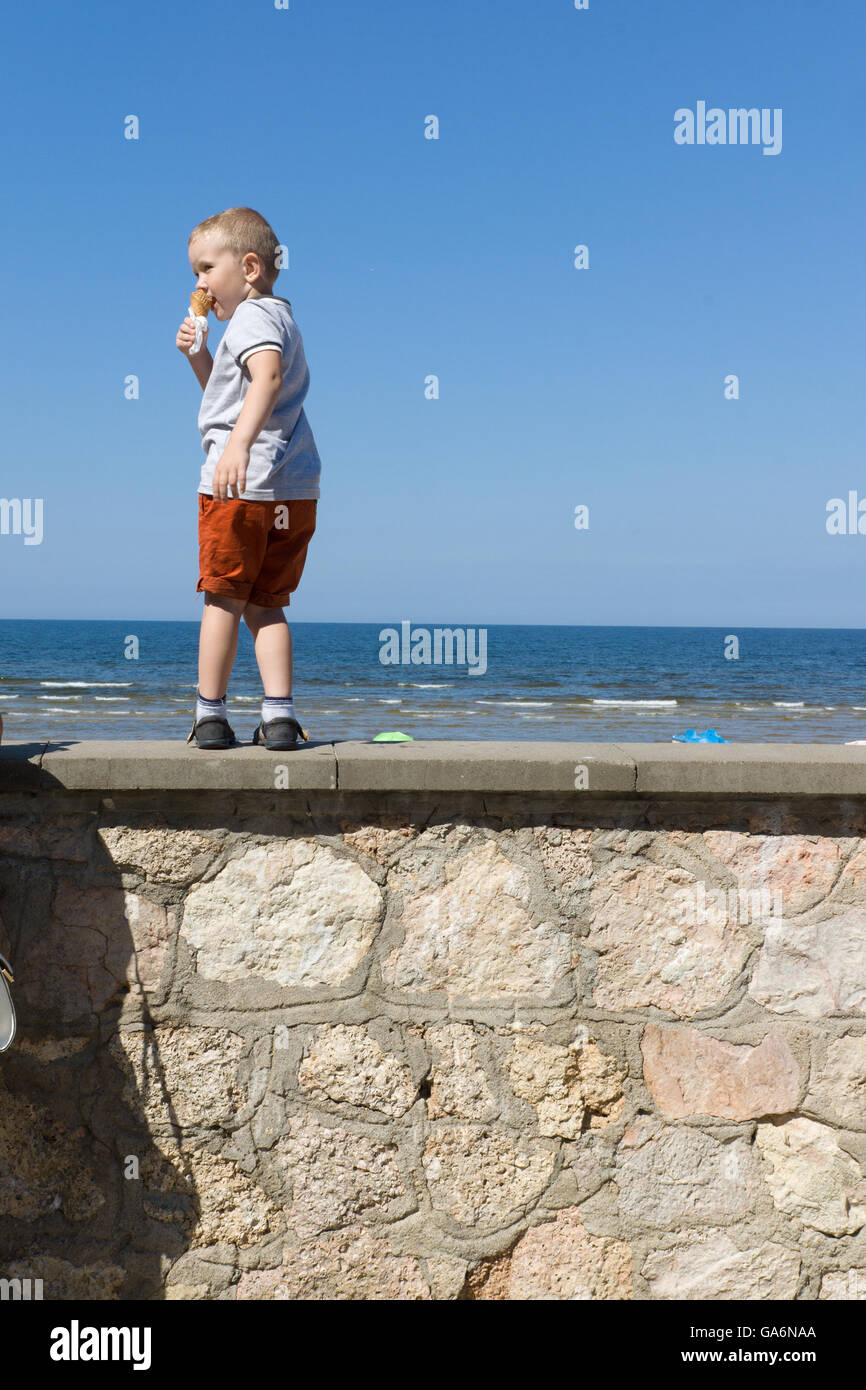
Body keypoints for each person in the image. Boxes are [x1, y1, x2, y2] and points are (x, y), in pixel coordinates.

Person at [177, 207, 321, 751]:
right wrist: (200, 355)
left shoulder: (253, 318)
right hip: (292, 490)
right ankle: (280, 716)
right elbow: (230, 393)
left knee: (222, 598)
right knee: (268, 603)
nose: (199, 283)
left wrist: (236, 446)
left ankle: (209, 714)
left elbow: (266, 377)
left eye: (207, 268)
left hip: (238, 486)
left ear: (251, 267)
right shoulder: (280, 318)